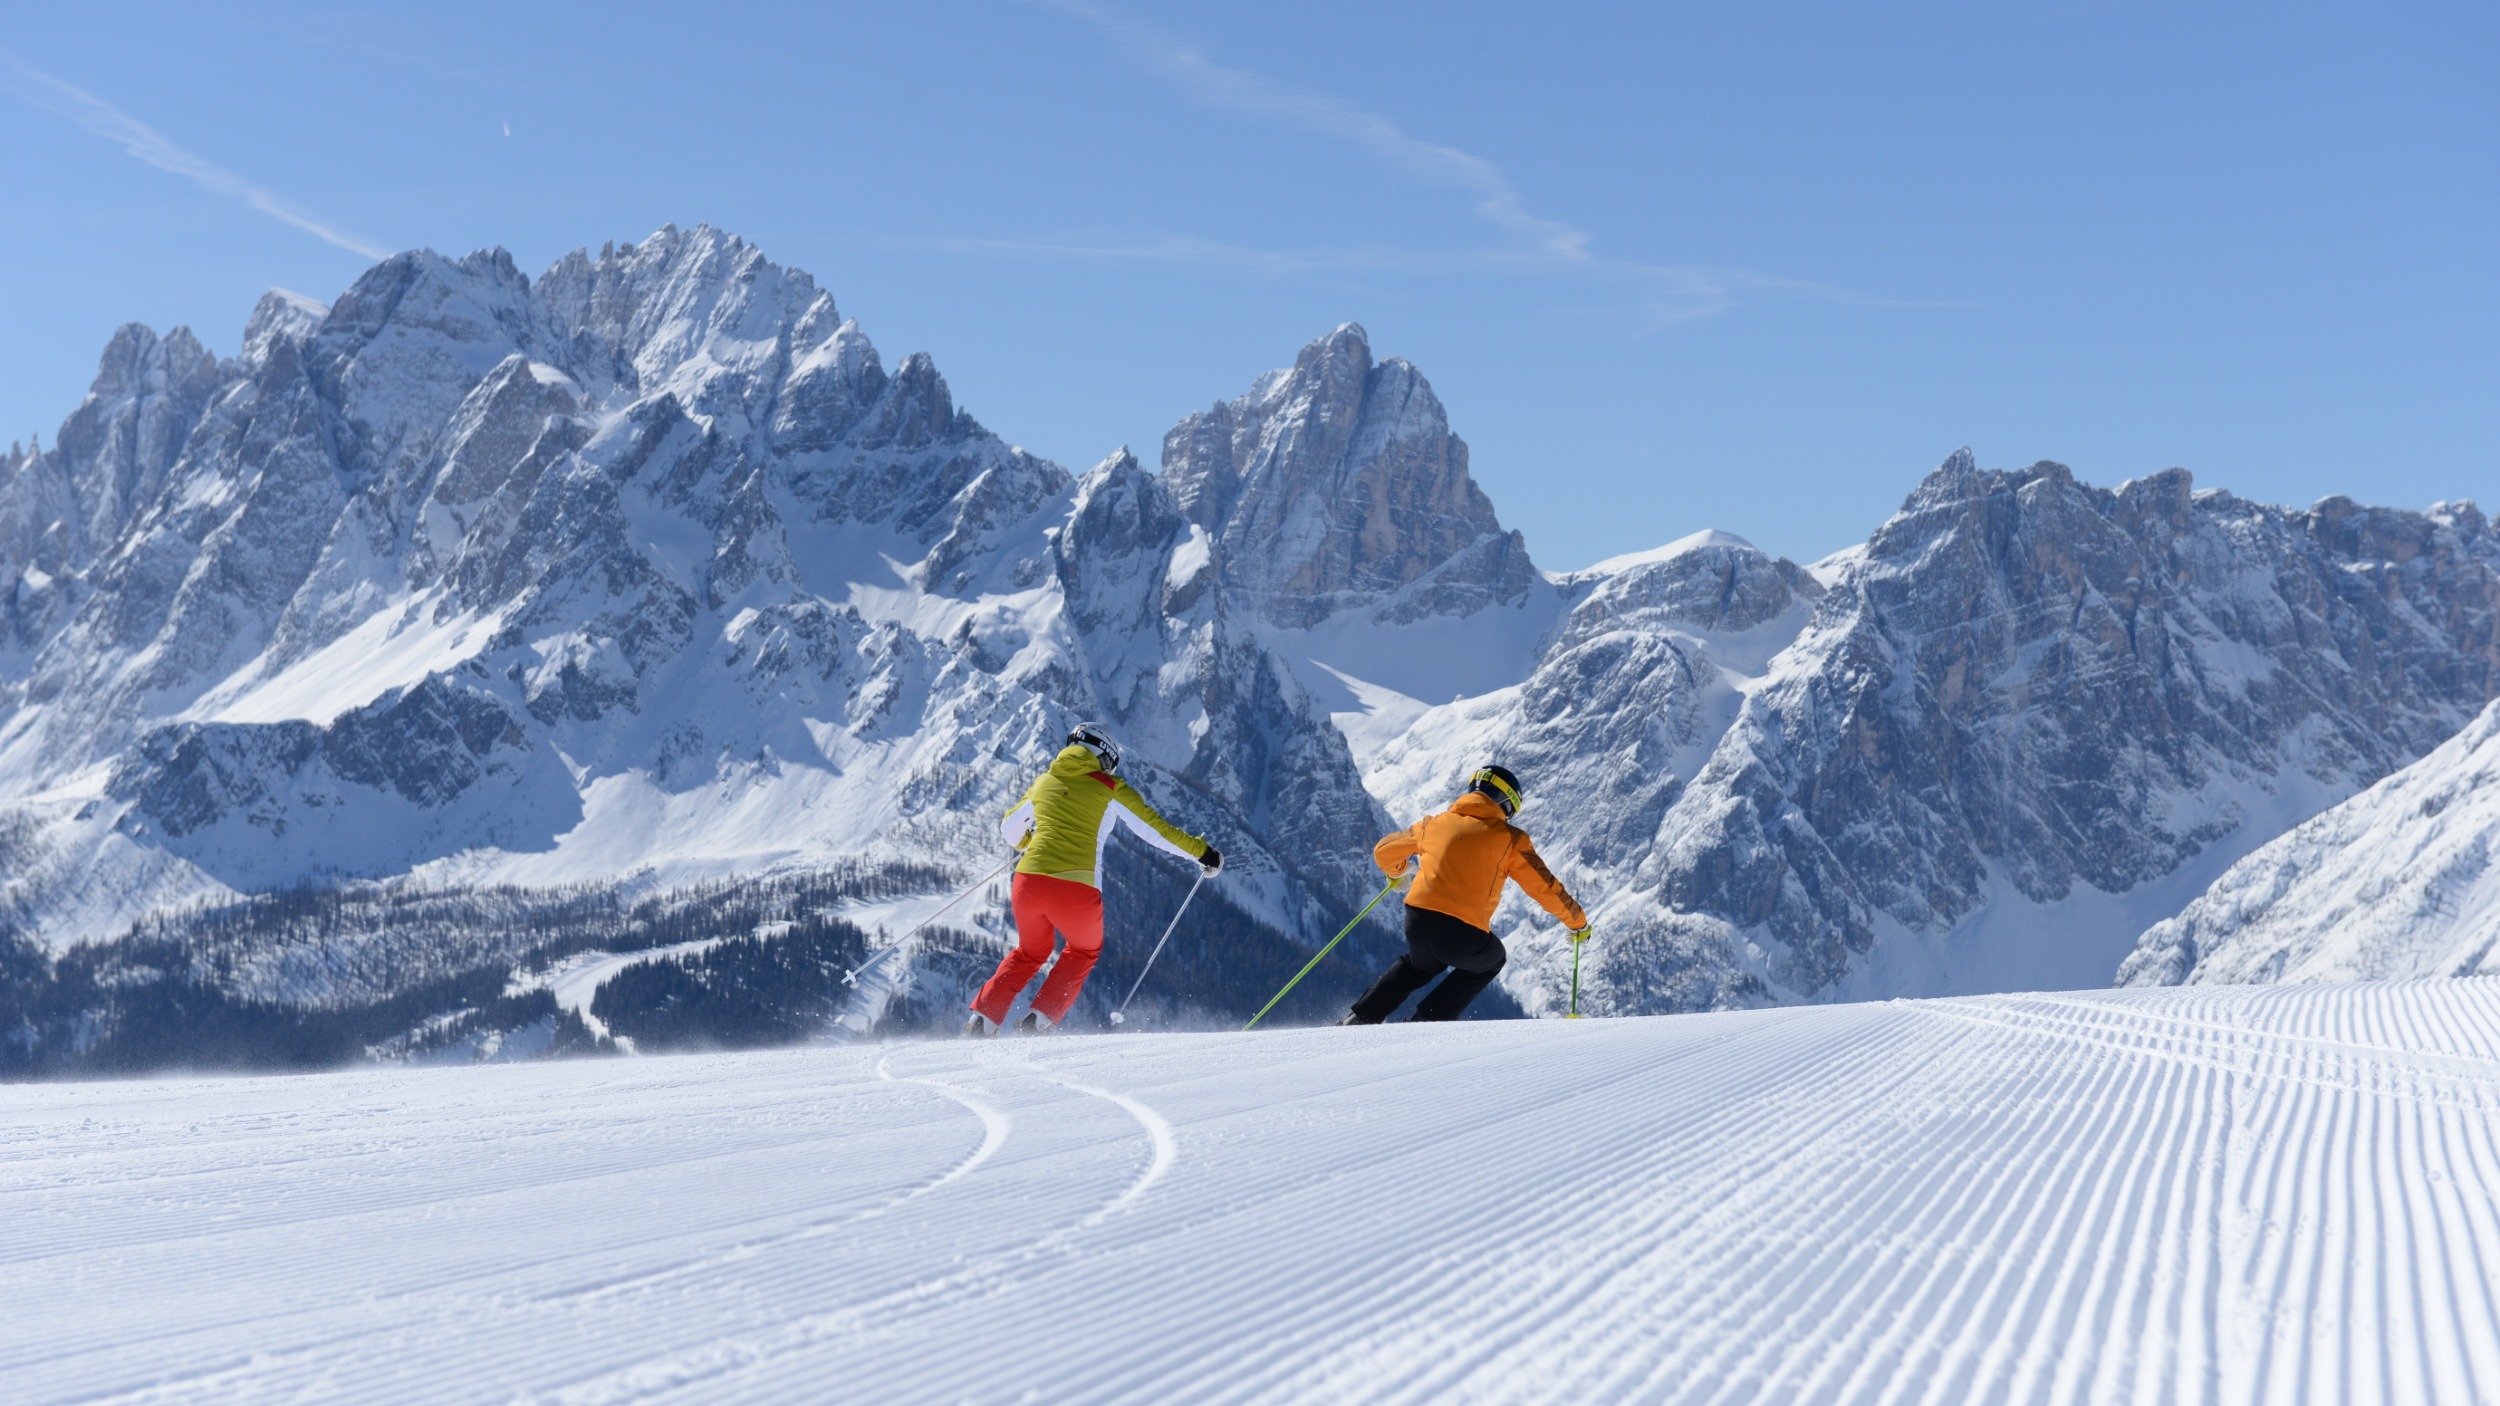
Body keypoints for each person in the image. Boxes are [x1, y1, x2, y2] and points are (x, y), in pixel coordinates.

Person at [967, 722, 1221, 1035]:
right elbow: (1157, 832)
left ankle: (983, 1019)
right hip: (1075, 890)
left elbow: (1009, 831)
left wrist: (1028, 841)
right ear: (1104, 757)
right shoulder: (1110, 788)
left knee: (1030, 952)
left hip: (1027, 884)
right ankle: (1039, 1020)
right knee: (1083, 950)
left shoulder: (1045, 781)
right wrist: (1204, 853)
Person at [1343, 764, 1589, 1024]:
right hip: (1461, 933)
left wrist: (1398, 871)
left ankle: (1360, 1018)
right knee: (1492, 960)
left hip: (1418, 921)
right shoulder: (1510, 839)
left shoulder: (1433, 824)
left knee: (1418, 967)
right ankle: (1426, 1022)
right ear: (1506, 803)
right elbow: (1544, 888)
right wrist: (1577, 922)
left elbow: (1383, 851)